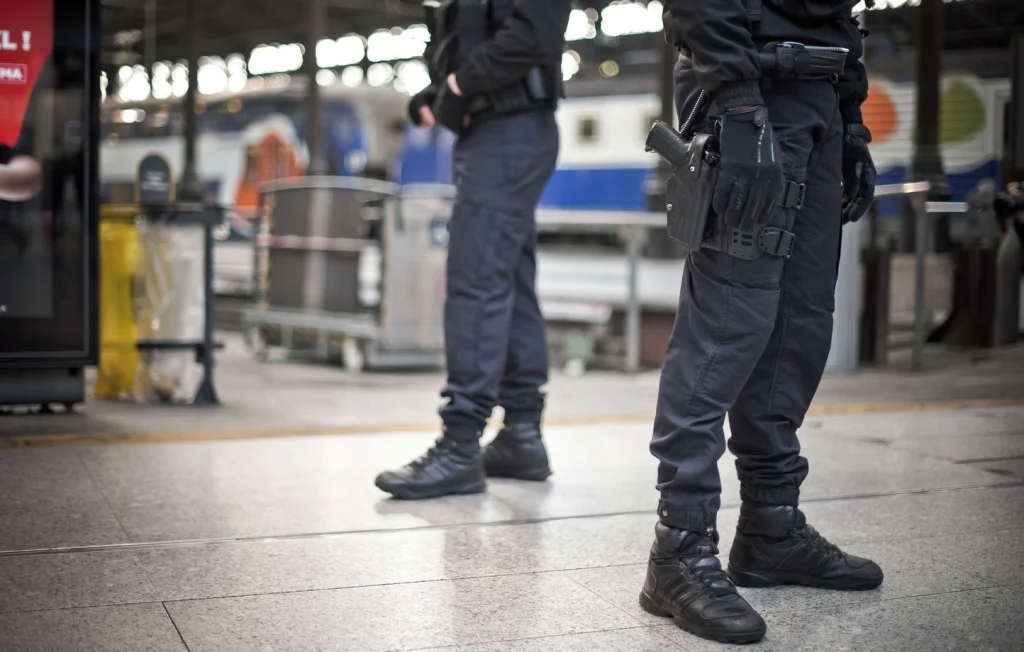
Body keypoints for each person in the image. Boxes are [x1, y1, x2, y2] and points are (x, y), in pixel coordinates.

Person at [640, 0, 883, 644]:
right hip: (747, 90)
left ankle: (772, 524)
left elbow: (842, 15)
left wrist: (851, 122)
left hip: (819, 100)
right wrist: (737, 100)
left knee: (800, 323)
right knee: (726, 324)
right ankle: (679, 546)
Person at [375, 0, 572, 500]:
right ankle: (522, 436)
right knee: (508, 281)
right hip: (496, 129)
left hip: (509, 131)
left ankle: (460, 445)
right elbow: (476, 40)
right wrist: (440, 89)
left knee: (475, 280)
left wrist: (459, 85)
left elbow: (534, 35)